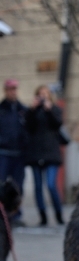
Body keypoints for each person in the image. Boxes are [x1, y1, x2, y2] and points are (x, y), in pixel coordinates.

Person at [24, 86, 65, 226]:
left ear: (49, 96)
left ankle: (59, 215)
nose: (43, 97)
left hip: (51, 153)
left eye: (45, 94)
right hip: (35, 153)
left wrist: (49, 110)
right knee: (38, 187)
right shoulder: (32, 111)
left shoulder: (55, 109)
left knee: (51, 184)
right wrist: (32, 109)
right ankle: (43, 217)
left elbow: (58, 124)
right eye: (40, 95)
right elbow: (28, 126)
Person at [0, 79, 27, 224]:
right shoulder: (1, 109)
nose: (13, 92)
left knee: (18, 186)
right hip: (3, 153)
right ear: (6, 91)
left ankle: (16, 215)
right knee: (2, 185)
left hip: (19, 154)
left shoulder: (23, 110)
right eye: (10, 89)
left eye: (15, 89)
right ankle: (3, 215)